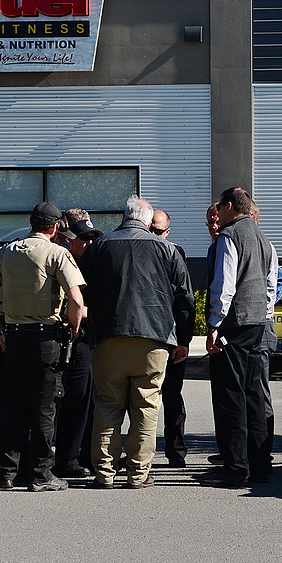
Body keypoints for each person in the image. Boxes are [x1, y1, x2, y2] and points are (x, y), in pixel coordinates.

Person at [80, 196, 194, 489]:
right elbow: (185, 300)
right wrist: (183, 340)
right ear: (146, 220)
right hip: (153, 338)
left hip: (108, 336)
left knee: (107, 405)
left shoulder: (100, 247)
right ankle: (138, 473)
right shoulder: (168, 250)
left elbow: (81, 292)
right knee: (146, 405)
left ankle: (104, 473)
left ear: (123, 216)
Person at [0, 202, 86, 492]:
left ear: (31, 224)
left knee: (11, 406)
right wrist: (73, 329)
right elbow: (76, 300)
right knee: (43, 408)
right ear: (53, 228)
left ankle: (5, 473)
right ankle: (41, 474)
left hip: (13, 338)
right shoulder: (57, 253)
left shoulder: (7, 252)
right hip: (45, 338)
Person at [203, 187, 279, 488]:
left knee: (231, 396)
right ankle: (259, 465)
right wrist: (265, 314)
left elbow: (225, 284)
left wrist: (214, 323)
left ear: (231, 207)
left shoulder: (229, 236)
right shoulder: (264, 239)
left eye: (220, 207)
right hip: (258, 323)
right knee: (255, 396)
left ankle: (236, 468)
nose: (217, 213)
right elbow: (271, 285)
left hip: (235, 324)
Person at [52, 211, 104, 479]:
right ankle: (67, 458)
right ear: (70, 239)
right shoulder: (62, 260)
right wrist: (82, 313)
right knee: (72, 401)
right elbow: (65, 306)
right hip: (67, 338)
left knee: (87, 401)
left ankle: (85, 455)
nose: (90, 242)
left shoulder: (94, 262)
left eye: (93, 236)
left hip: (86, 338)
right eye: (85, 238)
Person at [151, 208, 190, 467]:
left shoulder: (175, 254)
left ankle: (176, 450)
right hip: (146, 336)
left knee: (172, 395)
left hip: (171, 336)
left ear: (167, 232)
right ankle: (136, 452)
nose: (154, 235)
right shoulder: (137, 250)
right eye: (150, 229)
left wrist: (184, 341)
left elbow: (185, 300)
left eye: (158, 231)